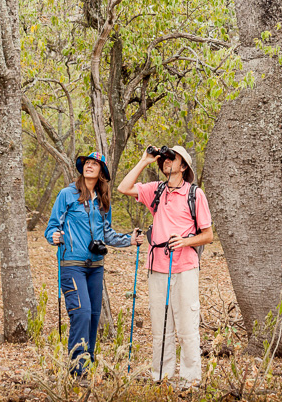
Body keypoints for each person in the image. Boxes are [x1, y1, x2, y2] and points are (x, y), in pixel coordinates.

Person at [118, 144, 213, 388]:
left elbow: (208, 235)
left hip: (185, 267)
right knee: (161, 326)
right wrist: (144, 161)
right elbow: (123, 187)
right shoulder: (156, 191)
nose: (167, 161)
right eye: (165, 158)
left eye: (172, 157)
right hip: (157, 267)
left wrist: (185, 241)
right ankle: (161, 377)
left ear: (184, 166)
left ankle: (190, 380)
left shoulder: (195, 194)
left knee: (187, 325)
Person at [45, 151, 144, 379]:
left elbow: (106, 233)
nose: (89, 166)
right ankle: (77, 370)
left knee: (93, 316)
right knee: (81, 313)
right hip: (72, 264)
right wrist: (54, 237)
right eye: (86, 163)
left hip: (96, 267)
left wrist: (129, 240)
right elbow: (52, 227)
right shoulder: (67, 194)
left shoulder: (102, 200)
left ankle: (86, 368)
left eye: (94, 164)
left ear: (101, 172)